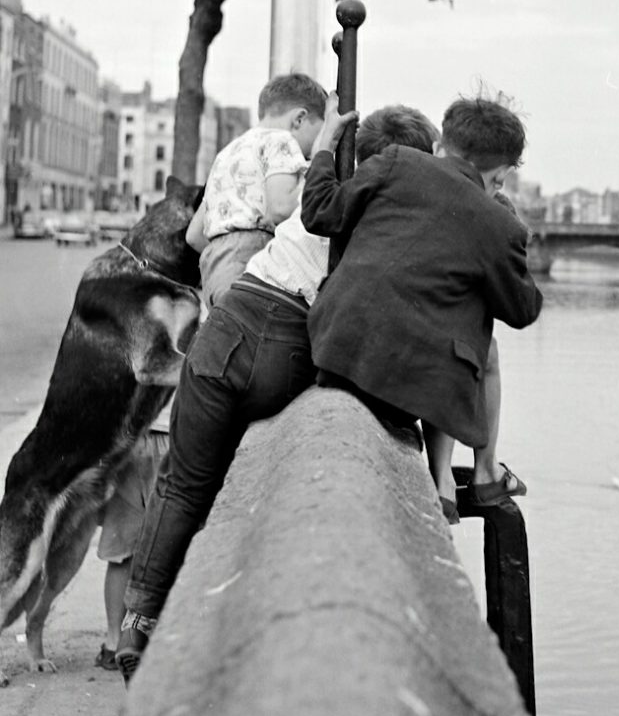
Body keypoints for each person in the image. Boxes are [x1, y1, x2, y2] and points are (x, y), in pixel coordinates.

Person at [114, 103, 439, 683]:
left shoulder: (326, 189)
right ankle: (203, 628)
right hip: (286, 339)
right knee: (230, 489)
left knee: (181, 484)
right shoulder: (388, 216)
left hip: (230, 319)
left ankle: (138, 622)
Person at [301, 92, 543, 520]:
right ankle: (476, 473)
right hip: (408, 391)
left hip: (331, 350)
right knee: (472, 298)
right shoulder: (497, 222)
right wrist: (508, 233)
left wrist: (324, 146)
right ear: (499, 175)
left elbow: (321, 212)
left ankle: (459, 475)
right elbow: (522, 311)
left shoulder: (395, 161)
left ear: (441, 144)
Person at [186, 73, 327, 309]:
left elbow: (194, 235)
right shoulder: (282, 140)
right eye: (317, 135)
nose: (311, 151)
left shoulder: (227, 153)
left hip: (214, 268)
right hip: (252, 260)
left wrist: (224, 255)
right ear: (300, 119)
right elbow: (280, 210)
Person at [92, 409, 170, 671]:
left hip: (128, 437)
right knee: (177, 539)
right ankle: (165, 636)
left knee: (121, 549)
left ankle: (114, 642)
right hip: (176, 431)